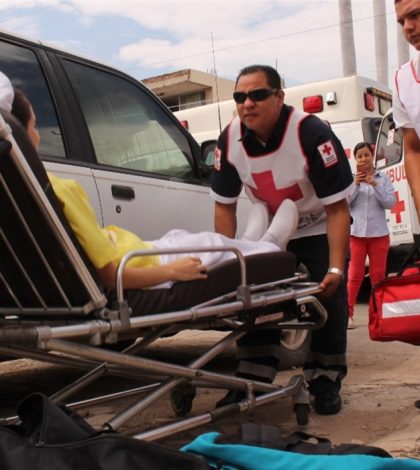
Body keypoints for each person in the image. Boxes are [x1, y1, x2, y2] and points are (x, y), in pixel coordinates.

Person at [8, 85, 298, 291]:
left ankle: (250, 242)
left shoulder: (15, 193)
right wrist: (173, 271)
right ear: (20, 134)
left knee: (194, 238)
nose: (38, 134)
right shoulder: (58, 189)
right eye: (35, 125)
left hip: (138, 253)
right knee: (216, 245)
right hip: (143, 263)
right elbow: (110, 275)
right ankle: (269, 246)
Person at [211, 64, 354, 415]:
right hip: (269, 230)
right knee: (254, 299)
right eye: (240, 96)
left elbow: (338, 210)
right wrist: (224, 260)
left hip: (318, 224)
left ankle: (324, 379)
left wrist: (336, 267)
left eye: (258, 95)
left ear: (279, 97)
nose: (248, 103)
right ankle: (252, 377)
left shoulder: (311, 133)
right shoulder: (229, 141)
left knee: (328, 300)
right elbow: (224, 208)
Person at [347, 142, 396, 329]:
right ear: (355, 159)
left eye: (366, 155)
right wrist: (356, 185)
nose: (363, 159)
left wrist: (374, 184)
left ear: (372, 156)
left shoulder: (383, 179)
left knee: (378, 277)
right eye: (359, 156)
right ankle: (348, 315)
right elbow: (345, 203)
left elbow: (390, 203)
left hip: (379, 235)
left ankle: (379, 315)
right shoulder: (351, 181)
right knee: (354, 276)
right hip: (357, 235)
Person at [393, 0, 420, 221]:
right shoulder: (404, 79)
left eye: (416, 15)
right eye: (402, 21)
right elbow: (413, 150)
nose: (407, 27)